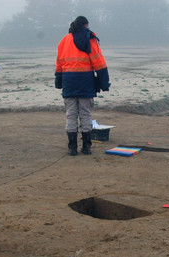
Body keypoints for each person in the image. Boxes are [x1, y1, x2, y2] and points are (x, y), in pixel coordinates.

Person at [55, 16, 110, 156]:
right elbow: (99, 62)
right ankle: (86, 147)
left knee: (71, 115)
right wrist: (104, 83)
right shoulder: (90, 39)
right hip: (86, 82)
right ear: (86, 25)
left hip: (69, 82)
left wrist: (59, 83)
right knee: (85, 114)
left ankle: (72, 148)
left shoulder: (64, 40)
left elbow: (59, 64)